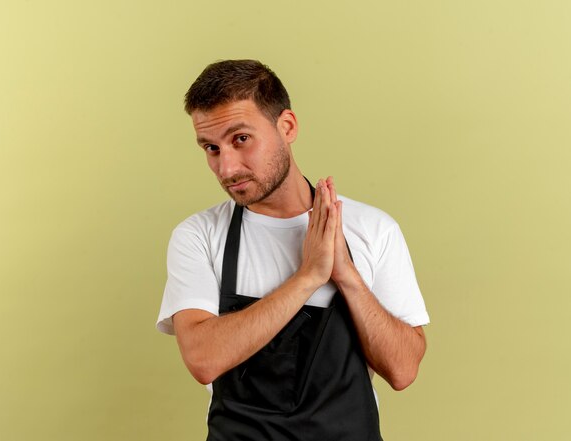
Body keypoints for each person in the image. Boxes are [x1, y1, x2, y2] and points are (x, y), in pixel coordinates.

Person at [157, 59, 430, 440]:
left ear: (286, 126)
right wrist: (308, 277)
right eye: (211, 148)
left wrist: (346, 275)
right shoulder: (199, 236)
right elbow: (203, 359)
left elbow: (403, 371)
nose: (227, 167)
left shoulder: (372, 230)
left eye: (240, 139)